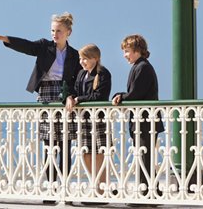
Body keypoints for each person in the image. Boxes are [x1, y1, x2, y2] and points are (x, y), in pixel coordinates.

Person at [0, 12, 81, 183]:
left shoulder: (74, 54)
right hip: (45, 94)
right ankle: (51, 187)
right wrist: (4, 38)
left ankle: (65, 188)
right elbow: (27, 46)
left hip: (65, 95)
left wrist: (72, 96)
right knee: (49, 145)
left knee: (65, 144)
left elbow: (77, 79)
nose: (54, 34)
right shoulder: (45, 46)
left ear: (68, 33)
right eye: (52, 30)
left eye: (58, 31)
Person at [112, 34, 165, 198]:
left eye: (127, 51)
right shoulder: (140, 66)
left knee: (144, 156)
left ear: (137, 50)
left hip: (145, 121)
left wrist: (121, 96)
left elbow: (136, 94)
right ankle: (150, 191)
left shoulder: (142, 67)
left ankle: (147, 192)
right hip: (143, 120)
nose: (125, 55)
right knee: (143, 156)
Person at [65, 44, 111, 197]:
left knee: (99, 153)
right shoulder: (81, 74)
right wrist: (70, 97)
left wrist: (78, 99)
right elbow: (74, 90)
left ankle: (102, 189)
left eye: (85, 58)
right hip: (83, 120)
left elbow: (100, 96)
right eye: (80, 58)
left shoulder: (103, 74)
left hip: (98, 119)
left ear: (95, 59)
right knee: (86, 152)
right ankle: (94, 185)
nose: (81, 62)